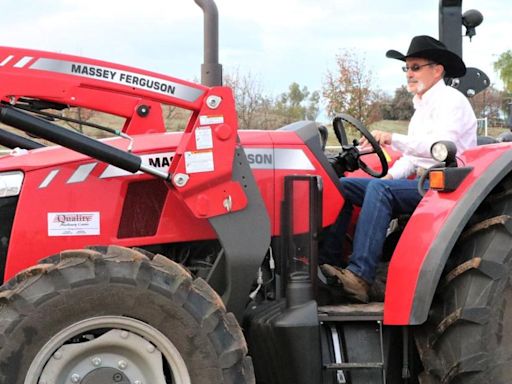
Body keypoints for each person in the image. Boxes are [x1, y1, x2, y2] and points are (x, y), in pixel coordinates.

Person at [320, 35, 477, 303]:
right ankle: (330, 265)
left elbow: (439, 148)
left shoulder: (451, 101)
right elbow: (413, 159)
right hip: (423, 180)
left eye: (416, 67)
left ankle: (360, 276)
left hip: (447, 186)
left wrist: (394, 139)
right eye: (407, 68)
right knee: (343, 187)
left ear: (437, 70)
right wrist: (390, 175)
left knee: (381, 191)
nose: (409, 74)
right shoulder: (422, 107)